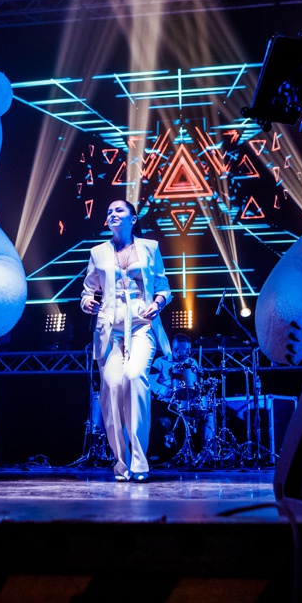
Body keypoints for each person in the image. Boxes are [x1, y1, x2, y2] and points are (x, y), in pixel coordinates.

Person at [80, 199, 172, 482]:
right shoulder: (97, 252)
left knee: (134, 377)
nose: (113, 214)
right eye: (109, 211)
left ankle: (140, 462)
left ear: (133, 218)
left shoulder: (150, 247)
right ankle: (122, 463)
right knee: (111, 391)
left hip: (141, 326)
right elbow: (87, 290)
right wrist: (87, 302)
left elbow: (163, 287)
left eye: (119, 210)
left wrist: (158, 303)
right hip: (110, 331)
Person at [150, 333, 215, 458]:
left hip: (189, 400)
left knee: (208, 414)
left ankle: (206, 452)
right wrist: (163, 390)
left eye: (189, 349)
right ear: (175, 350)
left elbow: (196, 385)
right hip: (168, 401)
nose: (189, 352)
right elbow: (149, 381)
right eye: (185, 350)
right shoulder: (161, 362)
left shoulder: (192, 362)